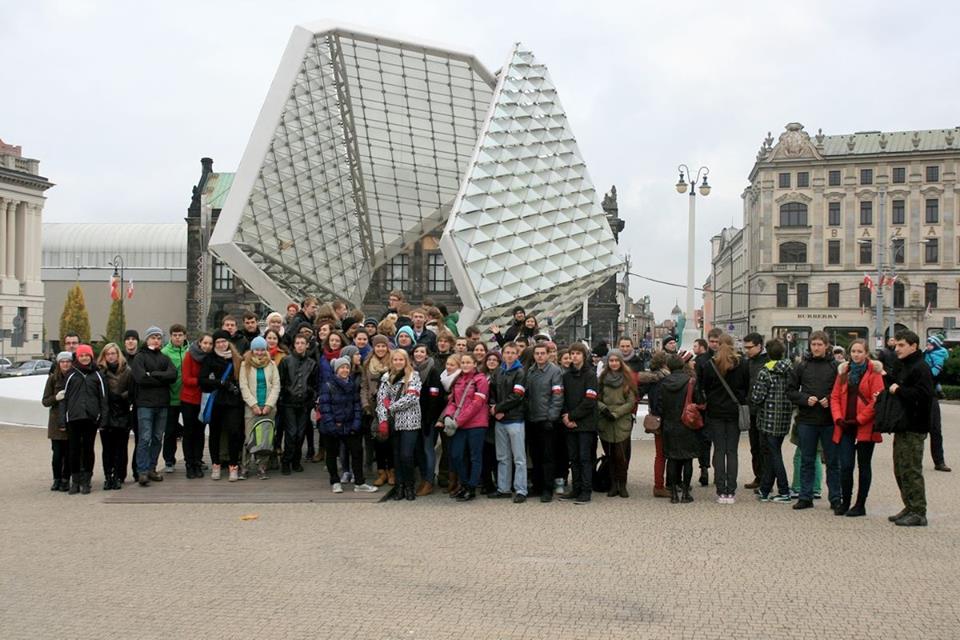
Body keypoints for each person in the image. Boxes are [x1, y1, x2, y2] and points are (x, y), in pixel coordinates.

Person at [829, 339, 885, 517]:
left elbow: (877, 400)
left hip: (865, 426)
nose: (856, 354)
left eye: (860, 351)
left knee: (863, 465)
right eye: (853, 351)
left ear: (866, 353)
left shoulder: (874, 372)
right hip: (845, 425)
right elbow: (835, 397)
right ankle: (845, 502)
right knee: (846, 466)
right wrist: (838, 418)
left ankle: (860, 504)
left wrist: (860, 419)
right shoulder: (844, 371)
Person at [787, 330, 841, 512]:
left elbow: (842, 391)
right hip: (807, 420)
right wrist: (804, 398)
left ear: (826, 346)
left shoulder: (835, 367)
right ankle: (805, 496)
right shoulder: (802, 366)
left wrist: (829, 398)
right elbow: (790, 390)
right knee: (807, 460)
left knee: (832, 462)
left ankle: (835, 498)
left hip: (829, 420)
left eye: (819, 344)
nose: (816, 348)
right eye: (813, 344)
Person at [885, 330, 934, 526]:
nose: (897, 349)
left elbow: (923, 396)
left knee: (911, 469)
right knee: (900, 469)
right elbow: (893, 384)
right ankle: (909, 506)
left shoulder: (920, 367)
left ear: (913, 346)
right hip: (902, 425)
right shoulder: (903, 364)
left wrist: (899, 390)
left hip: (915, 426)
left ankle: (918, 512)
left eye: (901, 345)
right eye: (896, 345)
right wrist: (885, 377)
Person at [698, 334, 750, 503]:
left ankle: (721, 490)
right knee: (732, 451)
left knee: (719, 450)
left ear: (718, 345)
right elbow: (746, 387)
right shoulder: (742, 364)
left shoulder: (710, 365)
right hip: (734, 411)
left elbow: (704, 387)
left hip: (715, 411)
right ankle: (731, 490)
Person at [318, 356, 378, 493]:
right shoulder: (328, 385)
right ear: (336, 370)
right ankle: (335, 481)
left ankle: (359, 482)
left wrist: (356, 423)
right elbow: (325, 408)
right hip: (332, 425)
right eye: (342, 368)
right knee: (332, 454)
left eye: (347, 367)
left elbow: (357, 405)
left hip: (350, 424)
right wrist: (332, 425)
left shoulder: (352, 385)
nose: (345, 370)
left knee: (357, 451)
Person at [130, 326, 177, 487]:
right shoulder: (140, 357)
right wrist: (161, 379)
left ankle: (152, 468)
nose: (156, 340)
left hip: (162, 403)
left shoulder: (164, 358)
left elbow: (173, 375)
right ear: (147, 339)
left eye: (158, 337)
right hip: (145, 404)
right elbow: (140, 378)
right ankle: (142, 471)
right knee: (145, 438)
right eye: (153, 337)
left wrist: (154, 374)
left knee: (157, 437)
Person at [750, 339, 794, 503]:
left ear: (768, 353)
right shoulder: (790, 369)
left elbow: (757, 397)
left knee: (773, 454)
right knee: (772, 453)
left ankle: (784, 490)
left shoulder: (765, 371)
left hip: (768, 418)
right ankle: (765, 489)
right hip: (784, 418)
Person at [442, 353, 490, 502]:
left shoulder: (481, 380)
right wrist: (448, 416)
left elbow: (476, 404)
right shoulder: (458, 379)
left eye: (468, 362)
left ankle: (471, 487)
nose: (465, 365)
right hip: (459, 424)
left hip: (476, 424)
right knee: (456, 455)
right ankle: (464, 483)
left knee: (475, 457)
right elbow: (453, 401)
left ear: (475, 364)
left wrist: (458, 421)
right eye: (463, 362)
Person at [376, 349, 423, 501]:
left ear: (406, 361)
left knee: (406, 455)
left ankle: (410, 486)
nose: (398, 362)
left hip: (410, 421)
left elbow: (412, 398)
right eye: (395, 360)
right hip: (393, 422)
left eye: (401, 360)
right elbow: (381, 400)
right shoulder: (386, 377)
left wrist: (391, 407)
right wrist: (383, 419)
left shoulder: (413, 376)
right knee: (396, 456)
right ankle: (400, 486)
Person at [61, 345, 108, 494]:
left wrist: (103, 418)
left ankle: (86, 480)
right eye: (81, 356)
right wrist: (63, 419)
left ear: (91, 357)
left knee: (88, 449)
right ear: (77, 357)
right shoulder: (71, 375)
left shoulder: (98, 375)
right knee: (73, 450)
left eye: (87, 355)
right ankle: (75, 480)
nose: (84, 358)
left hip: (91, 418)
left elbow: (103, 398)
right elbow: (64, 398)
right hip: (74, 418)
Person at [200, 331, 245, 482]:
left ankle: (233, 465)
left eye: (223, 341)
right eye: (218, 342)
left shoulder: (236, 358)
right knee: (215, 434)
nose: (221, 344)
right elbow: (202, 380)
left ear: (228, 342)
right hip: (217, 401)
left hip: (233, 402)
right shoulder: (209, 359)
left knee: (234, 433)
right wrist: (220, 383)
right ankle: (216, 464)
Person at [656, 355, 699, 503]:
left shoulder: (663, 383)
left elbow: (659, 406)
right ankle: (686, 493)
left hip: (669, 424)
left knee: (672, 459)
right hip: (687, 423)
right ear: (682, 365)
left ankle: (673, 493)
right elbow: (699, 401)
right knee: (687, 459)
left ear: (668, 366)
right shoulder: (691, 381)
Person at [524, 343, 564, 502]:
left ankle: (547, 488)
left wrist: (551, 417)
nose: (540, 356)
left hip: (547, 420)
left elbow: (557, 396)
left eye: (542, 353)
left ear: (548, 355)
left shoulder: (555, 371)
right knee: (535, 454)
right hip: (532, 418)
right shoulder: (531, 371)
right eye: (537, 353)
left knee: (548, 456)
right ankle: (537, 485)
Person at [560, 343, 599, 504]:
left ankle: (585, 490)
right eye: (572, 354)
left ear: (584, 356)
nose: (574, 356)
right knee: (574, 458)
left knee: (584, 458)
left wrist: (573, 416)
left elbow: (590, 400)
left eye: (577, 353)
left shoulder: (590, 375)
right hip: (569, 423)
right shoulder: (566, 376)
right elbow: (562, 398)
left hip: (585, 424)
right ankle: (575, 488)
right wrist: (566, 416)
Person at [489, 342, 528, 502]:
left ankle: (521, 490)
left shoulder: (520, 372)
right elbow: (491, 392)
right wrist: (494, 408)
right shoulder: (499, 371)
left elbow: (517, 396)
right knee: (502, 456)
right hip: (500, 420)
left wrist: (499, 409)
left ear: (517, 355)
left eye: (513, 353)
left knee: (519, 457)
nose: (509, 355)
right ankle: (503, 488)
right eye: (507, 352)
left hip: (515, 419)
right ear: (503, 354)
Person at [597, 350, 638, 498]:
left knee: (621, 456)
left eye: (616, 361)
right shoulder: (602, 379)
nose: (614, 363)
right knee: (610, 455)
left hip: (621, 421)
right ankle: (613, 484)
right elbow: (596, 398)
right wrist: (604, 409)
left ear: (621, 362)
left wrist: (616, 413)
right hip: (606, 420)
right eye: (611, 361)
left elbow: (631, 402)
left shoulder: (627, 379)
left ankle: (623, 484)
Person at [239, 336, 280, 480]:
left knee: (265, 438)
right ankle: (245, 467)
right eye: (257, 350)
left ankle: (262, 467)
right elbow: (243, 386)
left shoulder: (272, 364)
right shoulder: (245, 365)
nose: (260, 352)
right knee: (249, 437)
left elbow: (276, 386)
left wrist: (269, 404)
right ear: (252, 350)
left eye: (262, 350)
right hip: (252, 407)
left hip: (268, 406)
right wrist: (253, 404)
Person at [278, 333, 318, 474]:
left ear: (307, 345)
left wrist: (311, 397)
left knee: (300, 433)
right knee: (291, 432)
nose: (300, 346)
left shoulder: (312, 363)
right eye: (297, 343)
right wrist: (284, 396)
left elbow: (314, 383)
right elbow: (281, 381)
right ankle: (286, 461)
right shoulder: (286, 361)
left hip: (304, 403)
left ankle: (296, 460)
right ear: (294, 345)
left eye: (302, 343)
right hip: (288, 402)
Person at [98, 343, 133, 490]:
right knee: (107, 449)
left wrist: (122, 396)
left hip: (122, 413)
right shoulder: (100, 372)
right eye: (108, 354)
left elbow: (133, 390)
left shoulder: (127, 371)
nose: (111, 356)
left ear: (118, 355)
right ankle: (108, 476)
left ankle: (119, 475)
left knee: (121, 448)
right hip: (106, 414)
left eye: (113, 353)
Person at [361, 335, 394, 486]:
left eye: (383, 346)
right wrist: (365, 404)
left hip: (390, 406)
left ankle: (392, 470)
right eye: (378, 346)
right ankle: (381, 472)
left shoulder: (393, 361)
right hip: (373, 407)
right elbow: (364, 385)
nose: (380, 349)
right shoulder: (368, 363)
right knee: (378, 441)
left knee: (390, 441)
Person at [637, 352, 670, 498]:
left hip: (656, 420)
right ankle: (666, 485)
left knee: (660, 455)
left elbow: (639, 394)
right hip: (667, 420)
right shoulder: (667, 379)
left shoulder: (650, 380)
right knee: (669, 454)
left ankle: (658, 485)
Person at [412, 344, 444, 496]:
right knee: (419, 449)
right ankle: (424, 478)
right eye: (416, 351)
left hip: (428, 419)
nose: (419, 354)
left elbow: (435, 397)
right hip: (414, 417)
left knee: (428, 449)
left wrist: (429, 419)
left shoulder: (433, 371)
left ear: (426, 354)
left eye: (422, 351)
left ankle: (429, 481)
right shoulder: (411, 370)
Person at [180, 332, 213, 479]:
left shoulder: (211, 358)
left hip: (204, 400)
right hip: (189, 399)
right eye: (205, 343)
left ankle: (197, 462)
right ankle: (189, 464)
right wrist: (202, 381)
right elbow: (186, 379)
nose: (207, 346)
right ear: (200, 343)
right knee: (189, 432)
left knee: (200, 433)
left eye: (210, 344)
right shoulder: (190, 355)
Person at [41, 352, 73, 492]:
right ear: (59, 364)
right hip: (56, 422)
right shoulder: (52, 379)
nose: (65, 364)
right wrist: (56, 397)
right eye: (62, 361)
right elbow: (45, 401)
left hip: (70, 420)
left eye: (68, 361)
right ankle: (57, 478)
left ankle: (66, 479)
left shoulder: (74, 378)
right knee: (57, 454)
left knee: (69, 453)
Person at [742, 333, 770, 491]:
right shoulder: (748, 362)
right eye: (745, 348)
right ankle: (758, 476)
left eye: (749, 347)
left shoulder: (768, 362)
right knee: (754, 446)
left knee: (764, 446)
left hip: (765, 411)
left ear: (759, 346)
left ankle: (766, 480)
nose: (747, 351)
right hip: (751, 409)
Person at [161, 324, 188, 473]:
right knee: (170, 431)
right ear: (171, 336)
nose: (177, 338)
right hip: (171, 397)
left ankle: (191, 458)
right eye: (175, 335)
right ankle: (169, 460)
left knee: (191, 431)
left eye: (180, 335)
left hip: (187, 397)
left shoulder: (190, 352)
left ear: (185, 336)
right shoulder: (165, 353)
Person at [924, 335, 951, 472]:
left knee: (935, 430)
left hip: (931, 396)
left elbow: (936, 374)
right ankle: (911, 461)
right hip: (918, 397)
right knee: (915, 431)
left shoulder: (938, 357)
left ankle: (939, 461)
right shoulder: (922, 356)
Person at [122, 330, 140, 482]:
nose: (130, 341)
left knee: (140, 440)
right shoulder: (120, 358)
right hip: (122, 405)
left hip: (138, 404)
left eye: (133, 339)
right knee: (121, 441)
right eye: (128, 339)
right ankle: (120, 473)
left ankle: (137, 470)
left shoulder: (141, 358)